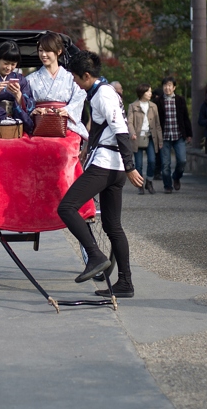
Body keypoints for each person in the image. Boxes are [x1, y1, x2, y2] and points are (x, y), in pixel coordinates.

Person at [57, 50, 143, 296]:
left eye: (75, 78)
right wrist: (86, 149)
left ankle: (94, 255)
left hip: (108, 166)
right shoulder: (99, 92)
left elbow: (121, 130)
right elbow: (100, 127)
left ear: (86, 75)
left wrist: (130, 166)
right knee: (112, 226)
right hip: (110, 165)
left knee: (66, 207)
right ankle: (125, 283)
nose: (74, 82)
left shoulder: (104, 94)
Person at [24, 31, 87, 143]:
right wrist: (33, 110)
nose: (43, 54)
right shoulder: (30, 79)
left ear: (59, 51)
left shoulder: (71, 77)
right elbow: (25, 101)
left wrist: (67, 110)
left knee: (67, 149)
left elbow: (80, 96)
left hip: (66, 125)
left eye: (47, 50)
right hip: (39, 126)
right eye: (40, 51)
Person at [152, 76, 192, 193]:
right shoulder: (158, 102)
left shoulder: (180, 100)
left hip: (178, 135)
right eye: (165, 85)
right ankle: (167, 186)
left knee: (182, 160)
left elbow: (185, 117)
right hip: (164, 136)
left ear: (174, 87)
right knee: (165, 163)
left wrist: (189, 134)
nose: (167, 88)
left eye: (169, 85)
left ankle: (176, 177)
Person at [127, 83, 162, 195]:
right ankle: (140, 184)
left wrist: (160, 140)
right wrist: (132, 133)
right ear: (142, 92)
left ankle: (149, 182)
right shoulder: (133, 106)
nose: (150, 94)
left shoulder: (153, 106)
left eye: (150, 91)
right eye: (148, 92)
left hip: (150, 136)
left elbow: (157, 125)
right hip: (137, 137)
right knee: (139, 163)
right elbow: (129, 122)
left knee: (152, 160)